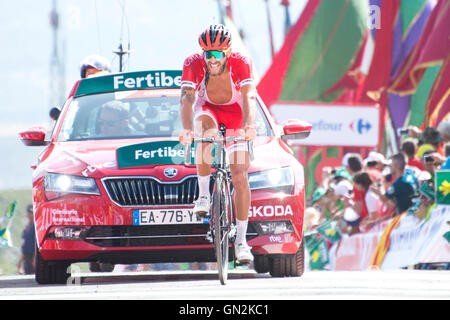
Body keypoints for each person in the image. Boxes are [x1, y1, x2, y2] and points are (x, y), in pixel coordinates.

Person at [178, 24, 257, 262]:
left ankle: (242, 242)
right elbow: (187, 99)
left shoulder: (241, 62)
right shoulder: (192, 63)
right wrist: (187, 130)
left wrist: (249, 126)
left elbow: (248, 96)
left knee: (240, 177)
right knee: (203, 132)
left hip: (236, 113)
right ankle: (203, 196)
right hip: (208, 109)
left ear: (229, 52)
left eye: (218, 54)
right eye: (208, 54)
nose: (212, 60)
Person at [17, 205, 35, 274]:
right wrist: (20, 261)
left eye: (31, 213)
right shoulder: (27, 228)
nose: (30, 215)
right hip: (26, 258)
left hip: (33, 257)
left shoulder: (36, 228)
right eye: (29, 213)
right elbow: (24, 245)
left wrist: (35, 258)